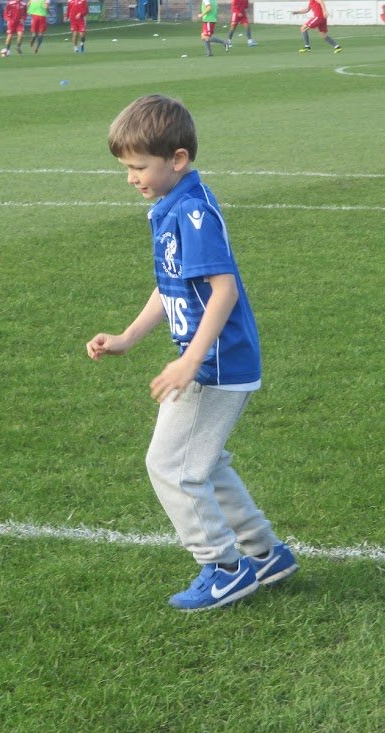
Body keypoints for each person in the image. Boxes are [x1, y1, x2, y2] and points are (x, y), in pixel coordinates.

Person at [86, 95, 298, 612]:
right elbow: (170, 286)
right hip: (214, 361)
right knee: (206, 464)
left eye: (139, 167)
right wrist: (129, 337)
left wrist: (188, 361)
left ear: (176, 160)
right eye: (126, 168)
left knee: (171, 465)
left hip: (216, 365)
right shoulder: (171, 206)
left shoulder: (193, 212)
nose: (131, 177)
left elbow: (222, 291)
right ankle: (266, 554)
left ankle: (223, 567)